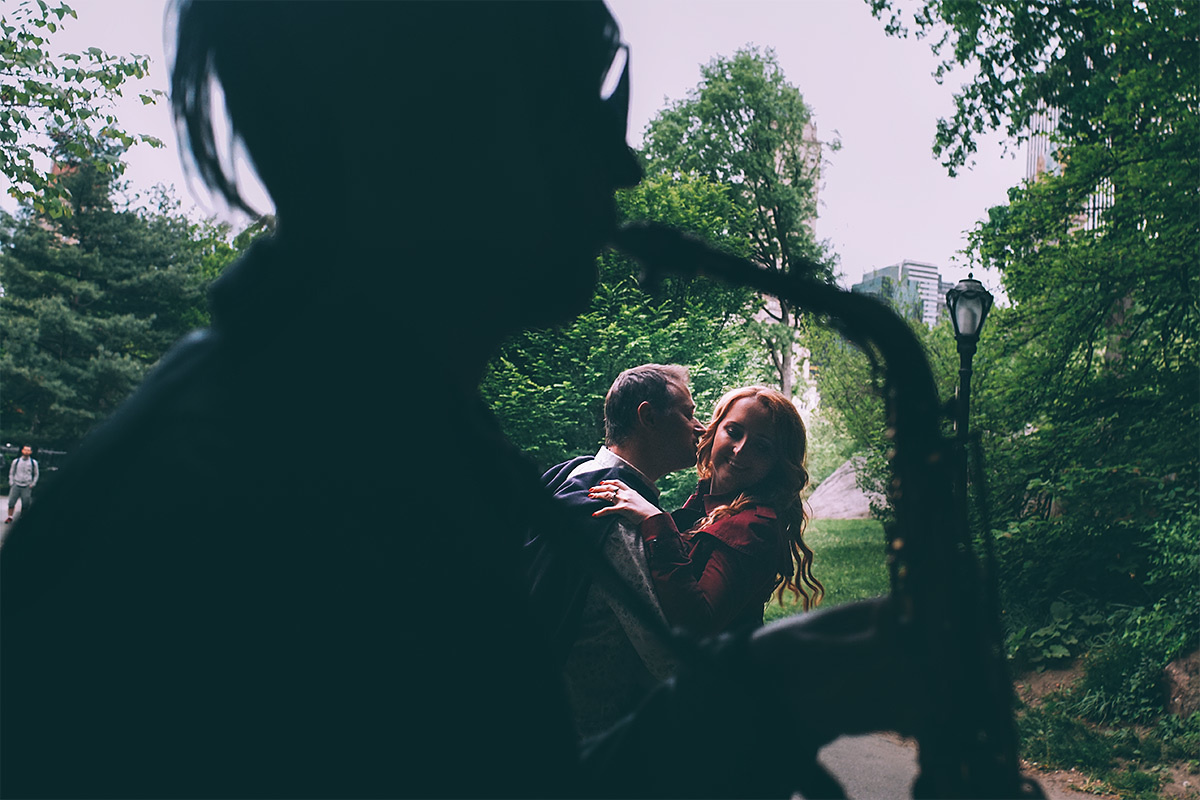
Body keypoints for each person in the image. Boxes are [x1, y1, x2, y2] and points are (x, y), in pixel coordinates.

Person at [1, 3, 923, 798]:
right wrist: (747, 707)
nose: (624, 159)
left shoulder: (351, 428)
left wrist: (760, 685)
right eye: (584, 95)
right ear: (429, 122)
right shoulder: (287, 491)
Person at [530, 363, 704, 737]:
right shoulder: (615, 515)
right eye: (688, 413)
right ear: (648, 417)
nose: (701, 426)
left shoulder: (570, 475)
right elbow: (666, 660)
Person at [592, 386, 824, 636]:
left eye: (762, 447)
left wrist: (654, 521)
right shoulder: (706, 503)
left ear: (776, 463)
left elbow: (697, 625)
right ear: (714, 431)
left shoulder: (753, 526)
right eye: (734, 432)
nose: (740, 450)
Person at [5, 445, 38, 524]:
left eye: (28, 450)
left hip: (27, 485)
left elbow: (36, 474)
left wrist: (33, 484)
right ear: (22, 451)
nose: (26, 452)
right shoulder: (16, 461)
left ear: (31, 452)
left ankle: (22, 517)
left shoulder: (33, 463)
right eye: (25, 450)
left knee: (25, 503)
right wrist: (11, 482)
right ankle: (10, 517)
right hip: (16, 483)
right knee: (11, 502)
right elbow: (11, 472)